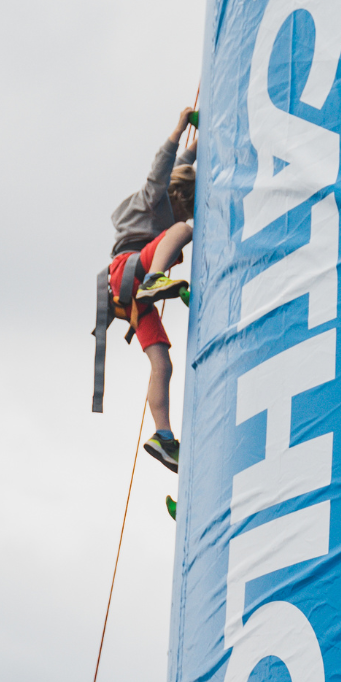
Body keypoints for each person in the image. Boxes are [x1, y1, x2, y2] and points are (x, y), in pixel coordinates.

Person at [107, 107, 197, 472]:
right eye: (186, 208)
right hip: (129, 273)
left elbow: (187, 163)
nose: (185, 215)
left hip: (128, 299)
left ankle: (163, 436)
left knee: (162, 364)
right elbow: (165, 167)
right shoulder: (152, 199)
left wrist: (202, 140)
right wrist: (179, 130)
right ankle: (155, 280)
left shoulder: (169, 205)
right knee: (182, 235)